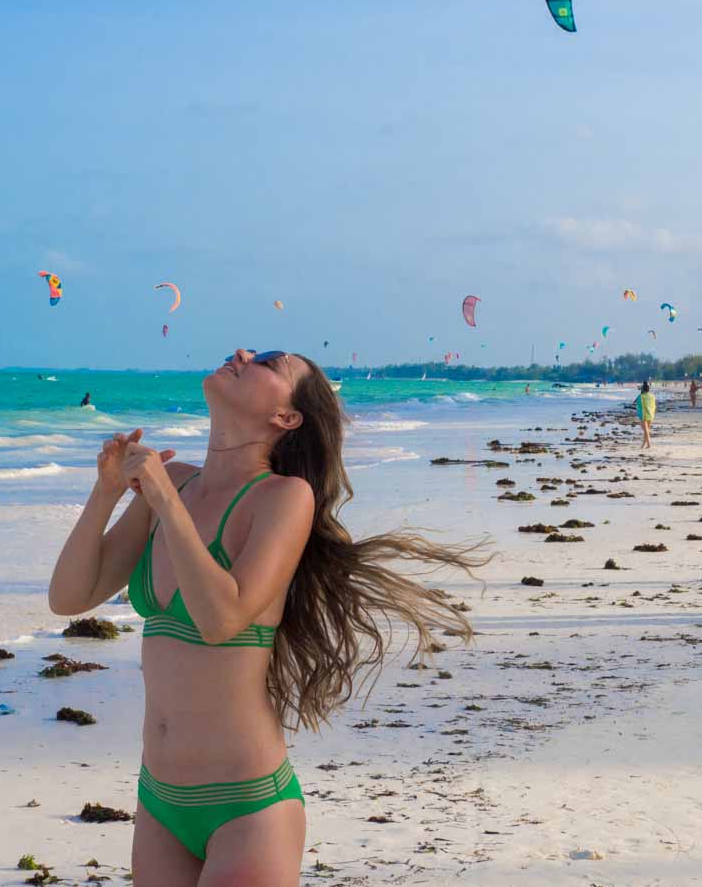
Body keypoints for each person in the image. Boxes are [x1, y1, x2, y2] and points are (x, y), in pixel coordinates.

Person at [48, 349, 485, 883]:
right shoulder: (176, 481)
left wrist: (164, 502)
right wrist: (106, 491)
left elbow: (220, 620)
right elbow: (70, 597)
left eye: (268, 361)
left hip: (247, 807)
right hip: (159, 802)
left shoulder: (282, 498)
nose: (242, 354)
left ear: (287, 418)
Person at [635, 381, 656, 448]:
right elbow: (654, 405)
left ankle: (649, 444)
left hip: (643, 414)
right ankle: (644, 444)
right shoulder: (652, 396)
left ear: (642, 389)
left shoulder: (641, 397)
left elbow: (638, 406)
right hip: (651, 413)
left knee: (645, 430)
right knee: (646, 430)